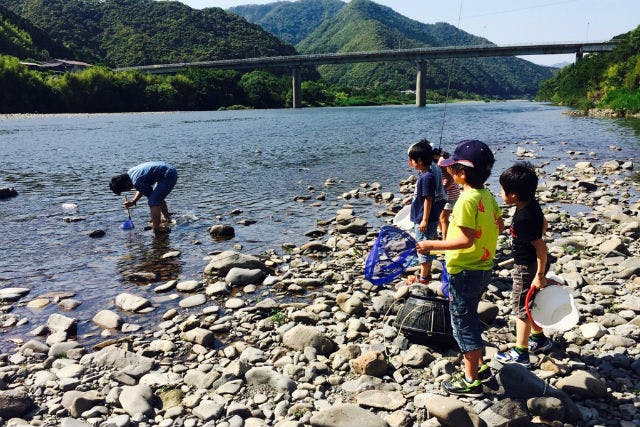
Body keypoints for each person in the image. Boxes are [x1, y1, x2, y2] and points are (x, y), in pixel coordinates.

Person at [416, 140, 504, 397]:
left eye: (452, 167)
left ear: (462, 172)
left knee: (463, 324)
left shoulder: (466, 200)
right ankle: (480, 366)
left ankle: (471, 381)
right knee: (469, 316)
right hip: (483, 267)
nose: (448, 171)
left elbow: (465, 240)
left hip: (464, 270)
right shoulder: (486, 195)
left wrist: (432, 244)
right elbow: (498, 226)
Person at [494, 162, 552, 368]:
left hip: (527, 268)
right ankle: (539, 338)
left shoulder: (522, 219)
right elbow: (544, 224)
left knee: (521, 307)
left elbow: (541, 247)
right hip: (531, 264)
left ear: (514, 196)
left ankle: (521, 352)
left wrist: (539, 274)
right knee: (531, 304)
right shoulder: (530, 206)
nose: (500, 193)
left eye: (502, 190)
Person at [405, 139, 445, 285]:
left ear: (420, 160)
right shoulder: (425, 174)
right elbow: (423, 196)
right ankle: (425, 273)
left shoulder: (427, 177)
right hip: (424, 216)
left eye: (412, 160)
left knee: (423, 246)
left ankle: (424, 278)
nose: (410, 162)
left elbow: (429, 199)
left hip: (424, 218)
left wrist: (424, 220)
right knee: (424, 244)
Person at [110, 161, 177, 233]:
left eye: (124, 190)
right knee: (156, 197)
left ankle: (156, 230)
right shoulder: (131, 173)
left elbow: (152, 199)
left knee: (153, 201)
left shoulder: (136, 181)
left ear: (125, 184)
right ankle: (167, 219)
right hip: (167, 169)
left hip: (168, 174)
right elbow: (144, 190)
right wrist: (133, 201)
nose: (127, 190)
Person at [433, 149, 460, 239]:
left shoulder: (445, 170)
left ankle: (446, 239)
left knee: (443, 218)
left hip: (450, 196)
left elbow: (448, 184)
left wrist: (440, 191)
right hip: (448, 195)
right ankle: (443, 233)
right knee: (440, 217)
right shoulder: (443, 168)